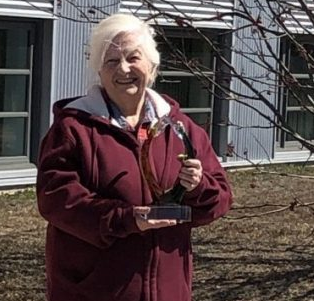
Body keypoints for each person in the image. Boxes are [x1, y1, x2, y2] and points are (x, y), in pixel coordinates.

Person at [37, 13, 233, 301]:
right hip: (94, 291)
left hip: (168, 289)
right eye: (112, 61)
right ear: (99, 71)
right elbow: (56, 200)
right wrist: (126, 219)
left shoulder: (181, 127)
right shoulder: (73, 128)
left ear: (152, 66)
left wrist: (198, 186)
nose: (124, 69)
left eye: (133, 58)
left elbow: (220, 200)